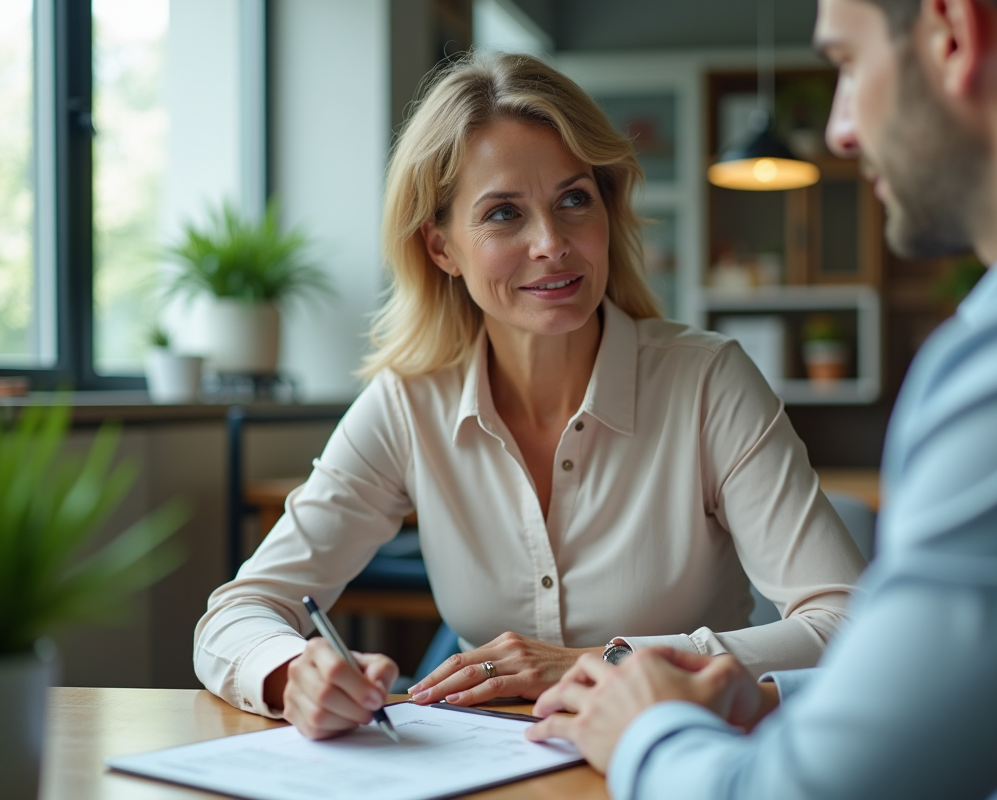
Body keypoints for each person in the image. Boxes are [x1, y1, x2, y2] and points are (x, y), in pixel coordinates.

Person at [526, 1, 997, 798]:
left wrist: (647, 730)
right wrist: (772, 692)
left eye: (847, 63)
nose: (843, 131)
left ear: (954, 33)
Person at [194, 52, 865, 740]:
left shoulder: (707, 381)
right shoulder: (408, 402)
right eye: (504, 214)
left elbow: (847, 623)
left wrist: (606, 664)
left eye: (575, 199)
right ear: (441, 247)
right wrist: (294, 673)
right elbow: (238, 614)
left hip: (682, 755)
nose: (552, 243)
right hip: (490, 766)